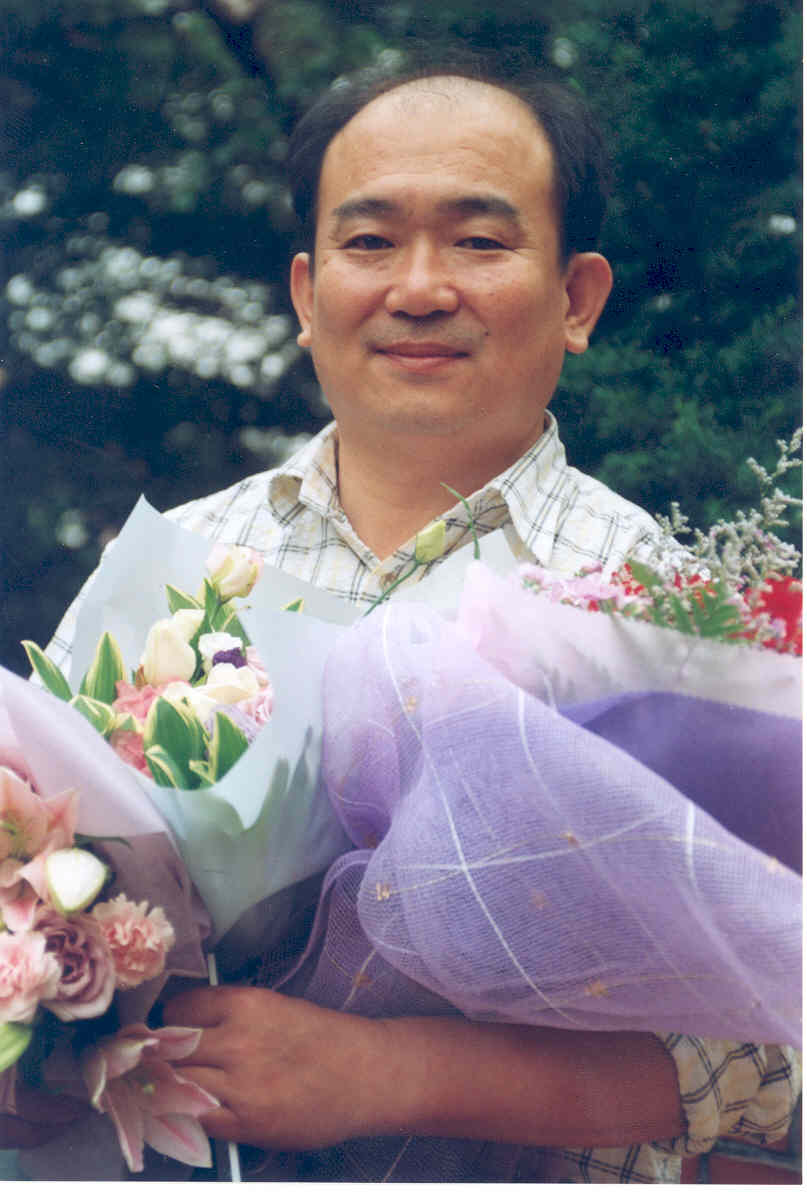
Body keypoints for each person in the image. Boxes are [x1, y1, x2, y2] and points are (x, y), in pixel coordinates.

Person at [38, 57, 798, 1183]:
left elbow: (771, 1059)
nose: (421, 287)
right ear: (307, 294)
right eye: (371, 241)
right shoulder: (172, 568)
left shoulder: (671, 614)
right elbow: (32, 866)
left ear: (578, 299)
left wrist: (390, 1071)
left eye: (480, 241)